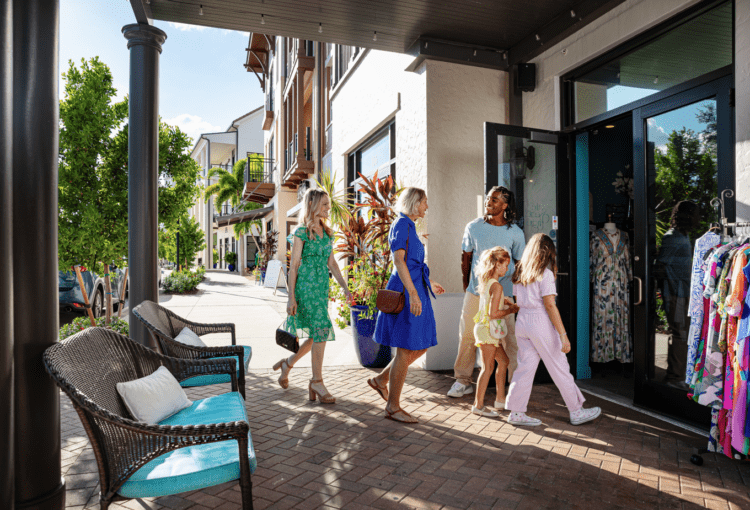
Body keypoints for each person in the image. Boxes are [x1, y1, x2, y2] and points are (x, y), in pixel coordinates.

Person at [366, 187, 446, 423]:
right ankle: (393, 406)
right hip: (406, 292)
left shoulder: (410, 226)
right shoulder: (401, 224)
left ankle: (381, 380)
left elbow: (410, 264)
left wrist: (428, 283)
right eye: (424, 202)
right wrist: (412, 293)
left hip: (416, 289)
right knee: (405, 348)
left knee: (420, 345)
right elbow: (398, 260)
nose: (427, 207)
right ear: (414, 203)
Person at [505, 233, 601, 426]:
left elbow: (517, 301)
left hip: (522, 322)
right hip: (539, 322)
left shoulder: (520, 273)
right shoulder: (545, 274)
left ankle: (516, 412)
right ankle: (576, 411)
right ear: (547, 251)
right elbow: (550, 305)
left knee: (524, 369)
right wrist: (563, 335)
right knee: (560, 368)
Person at [273, 189, 352, 403]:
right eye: (324, 204)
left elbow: (332, 263)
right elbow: (294, 266)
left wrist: (344, 287)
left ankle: (287, 364)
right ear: (313, 205)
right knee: (322, 330)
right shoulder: (301, 232)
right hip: (306, 289)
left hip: (321, 289)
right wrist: (291, 297)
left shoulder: (327, 233)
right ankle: (317, 381)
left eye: (328, 204)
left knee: (316, 334)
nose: (328, 208)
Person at [448, 186, 526, 398]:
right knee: (467, 336)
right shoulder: (474, 227)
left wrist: (515, 295)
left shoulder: (515, 233)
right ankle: (462, 380)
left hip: (505, 294)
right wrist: (467, 285)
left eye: (494, 199)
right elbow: (466, 257)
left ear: (505, 205)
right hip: (476, 294)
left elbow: (519, 264)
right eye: (488, 199)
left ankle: (515, 384)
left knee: (509, 340)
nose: (488, 202)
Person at [655, 201, 700, 388]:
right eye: (696, 214)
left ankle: (680, 375)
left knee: (684, 334)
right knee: (680, 334)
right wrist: (672, 290)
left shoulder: (683, 236)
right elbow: (660, 267)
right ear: (688, 216)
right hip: (676, 294)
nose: (699, 218)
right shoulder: (672, 237)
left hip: (683, 293)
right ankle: (674, 378)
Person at [471, 246, 519, 417]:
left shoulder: (489, 282)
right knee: (488, 368)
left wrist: (504, 303)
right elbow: (493, 314)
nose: (507, 269)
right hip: (487, 330)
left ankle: (500, 399)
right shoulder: (497, 286)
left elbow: (491, 306)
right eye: (505, 265)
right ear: (497, 264)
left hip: (487, 330)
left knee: (504, 361)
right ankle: (478, 405)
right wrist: (510, 311)